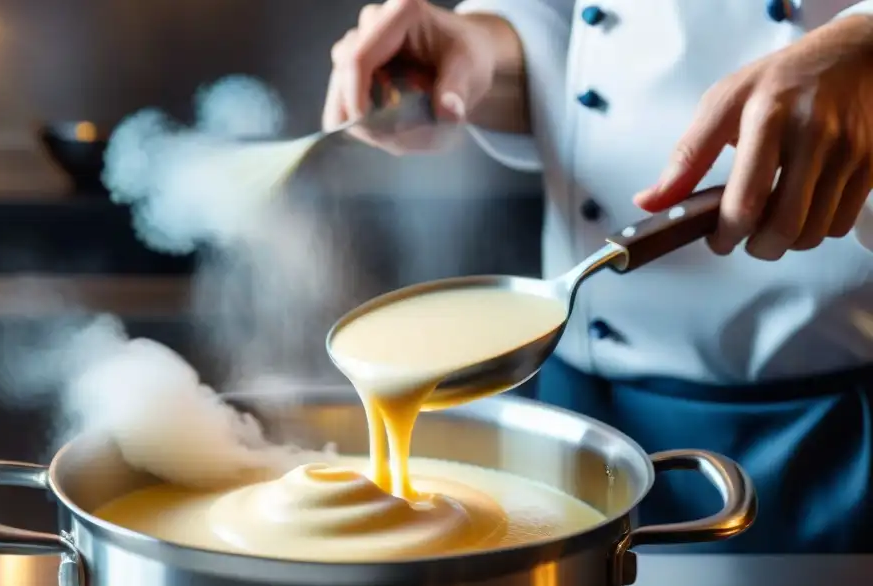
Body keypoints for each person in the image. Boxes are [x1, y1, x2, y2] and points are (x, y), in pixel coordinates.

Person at [322, 0, 873, 553]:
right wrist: (481, 48)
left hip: (833, 434)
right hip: (577, 409)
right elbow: (570, 25)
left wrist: (864, 45)